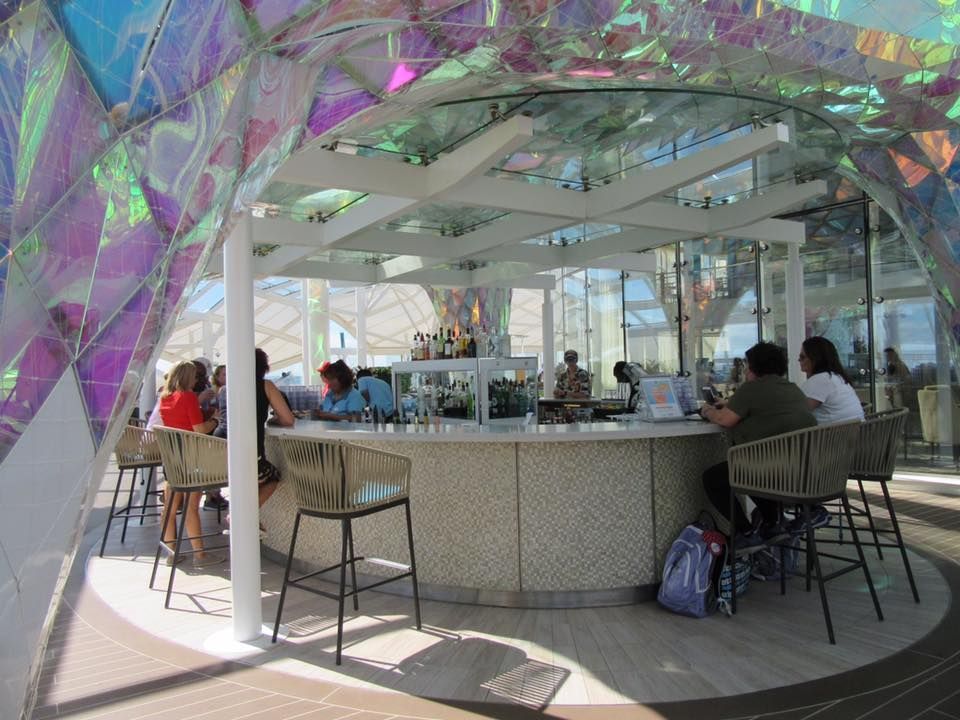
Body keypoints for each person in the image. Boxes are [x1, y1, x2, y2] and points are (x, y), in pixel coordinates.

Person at [700, 342, 817, 544]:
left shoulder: (751, 389)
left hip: (771, 471)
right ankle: (773, 524)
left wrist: (707, 410)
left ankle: (745, 532)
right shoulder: (793, 389)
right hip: (800, 471)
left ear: (754, 367)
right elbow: (767, 409)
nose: (745, 370)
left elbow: (724, 420)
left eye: (747, 365)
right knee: (755, 468)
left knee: (716, 477)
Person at [157, 361, 223, 568]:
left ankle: (171, 553)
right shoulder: (188, 397)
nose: (197, 380)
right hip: (190, 457)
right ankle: (200, 555)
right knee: (191, 506)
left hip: (172, 457)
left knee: (170, 506)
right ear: (187, 377)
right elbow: (199, 429)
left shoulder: (164, 398)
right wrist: (215, 420)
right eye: (194, 376)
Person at [253, 349, 294, 509]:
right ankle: (246, 516)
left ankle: (247, 518)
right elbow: (288, 419)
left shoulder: (226, 388)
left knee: (252, 480)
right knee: (272, 476)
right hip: (251, 456)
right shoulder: (265, 385)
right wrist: (274, 421)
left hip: (223, 458)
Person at [799, 337, 864, 425]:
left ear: (815, 358)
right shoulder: (837, 377)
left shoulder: (820, 380)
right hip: (858, 433)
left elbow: (799, 413)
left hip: (835, 436)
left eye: (802, 357)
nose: (799, 360)